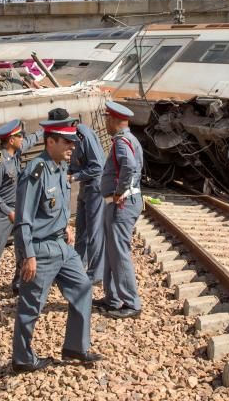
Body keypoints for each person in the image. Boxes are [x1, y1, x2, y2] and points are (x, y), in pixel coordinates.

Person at [12, 117, 101, 372]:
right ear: (50, 141)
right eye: (67, 142)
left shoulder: (60, 166)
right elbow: (23, 220)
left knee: (83, 287)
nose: (72, 147)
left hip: (62, 246)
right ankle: (23, 358)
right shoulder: (35, 171)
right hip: (40, 250)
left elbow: (55, 207)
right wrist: (27, 256)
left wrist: (66, 227)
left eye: (74, 141)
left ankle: (75, 346)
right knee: (31, 307)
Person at [0, 120, 44, 308]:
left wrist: (44, 131)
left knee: (22, 249)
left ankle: (18, 284)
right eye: (19, 136)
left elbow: (31, 140)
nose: (22, 139)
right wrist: (8, 212)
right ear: (10, 140)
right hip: (0, 214)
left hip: (17, 210)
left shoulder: (15, 152)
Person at [94, 101, 144, 319]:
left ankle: (131, 302)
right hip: (122, 203)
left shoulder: (122, 142)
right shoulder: (130, 139)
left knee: (119, 253)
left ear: (114, 120)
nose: (105, 122)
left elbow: (129, 166)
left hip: (122, 204)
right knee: (112, 252)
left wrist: (120, 190)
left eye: (107, 118)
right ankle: (112, 298)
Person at [48, 107, 105, 284]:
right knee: (82, 229)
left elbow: (97, 167)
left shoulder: (83, 135)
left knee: (94, 232)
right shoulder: (68, 137)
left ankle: (95, 274)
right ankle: (78, 268)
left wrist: (73, 176)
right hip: (84, 184)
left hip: (95, 185)